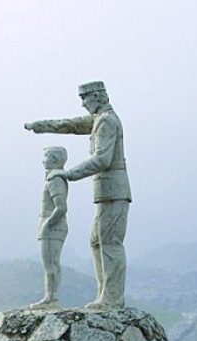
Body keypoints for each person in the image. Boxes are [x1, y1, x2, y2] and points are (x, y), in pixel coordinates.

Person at [24, 81, 130, 310]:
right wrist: (41, 126)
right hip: (105, 192)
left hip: (114, 190)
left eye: (85, 98)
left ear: (98, 97)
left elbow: (102, 159)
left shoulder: (106, 121)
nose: (82, 104)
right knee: (97, 241)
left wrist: (68, 173)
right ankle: (105, 294)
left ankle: (111, 298)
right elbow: (71, 125)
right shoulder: (98, 120)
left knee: (109, 242)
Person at [29, 146, 69, 310]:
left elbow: (61, 207)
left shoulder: (55, 180)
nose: (43, 161)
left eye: (45, 157)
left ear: (54, 159)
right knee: (52, 263)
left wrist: (47, 224)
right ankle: (51, 296)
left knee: (50, 264)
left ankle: (50, 298)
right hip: (52, 225)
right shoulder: (54, 179)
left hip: (53, 226)